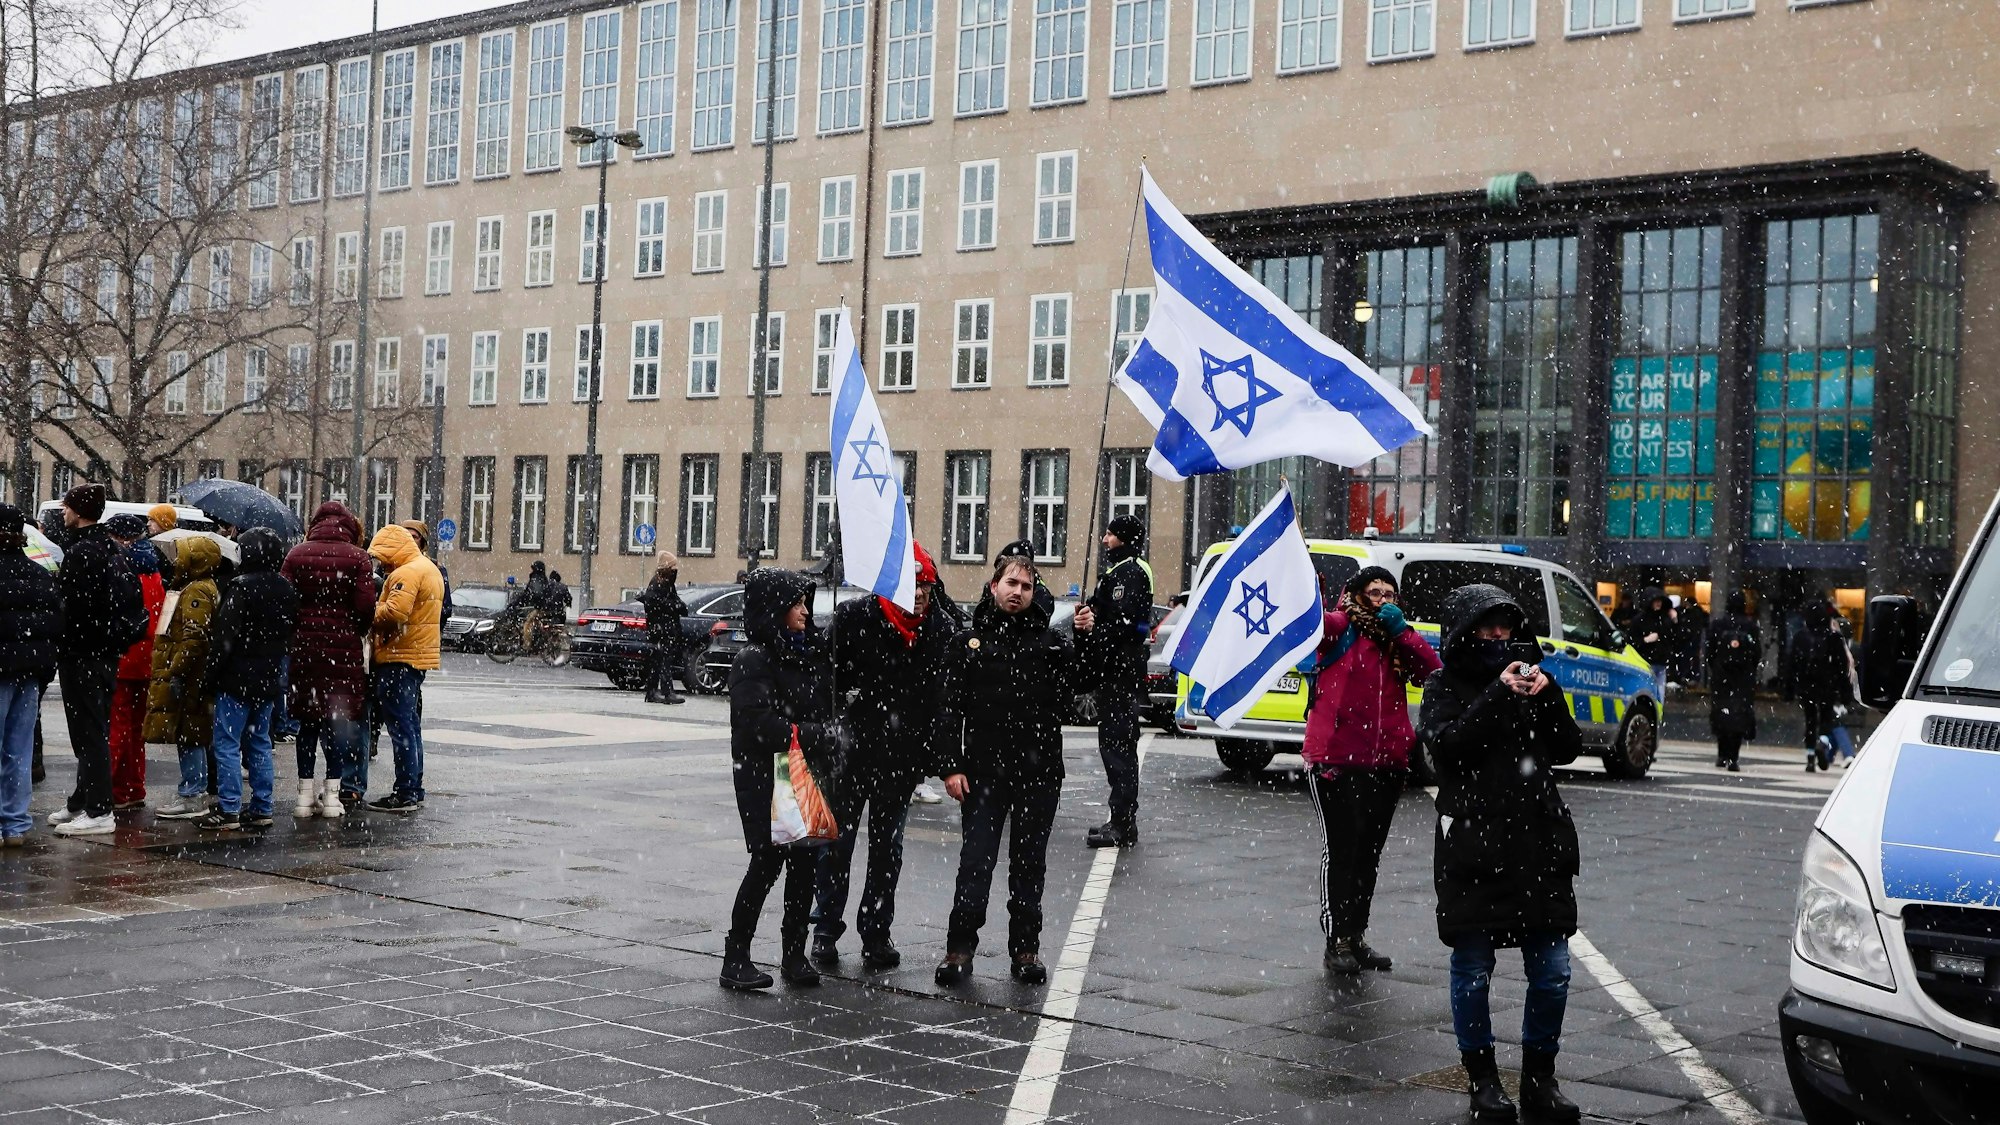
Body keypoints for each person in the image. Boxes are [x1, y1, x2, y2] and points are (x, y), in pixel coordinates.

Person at [1419, 584, 1585, 1124]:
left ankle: (1540, 1078)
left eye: (1506, 627)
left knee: (1553, 969)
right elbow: (1447, 747)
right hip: (1474, 846)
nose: (1500, 637)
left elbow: (1566, 748)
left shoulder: (1535, 679)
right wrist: (1497, 692)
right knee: (1472, 967)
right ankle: (1483, 1082)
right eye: (1488, 627)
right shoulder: (1444, 684)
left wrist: (1547, 695)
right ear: (1465, 631)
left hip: (1538, 844)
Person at [934, 555, 1084, 987]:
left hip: (1038, 773)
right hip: (983, 774)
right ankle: (959, 950)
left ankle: (1025, 950)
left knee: (1028, 865)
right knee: (975, 863)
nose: (1018, 592)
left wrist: (1089, 638)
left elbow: (1081, 685)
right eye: (1011, 583)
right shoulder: (968, 642)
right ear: (994, 585)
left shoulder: (1051, 644)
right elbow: (948, 710)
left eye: (1027, 586)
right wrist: (949, 766)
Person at [813, 543, 955, 971]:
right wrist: (836, 718)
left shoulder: (940, 629)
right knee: (835, 846)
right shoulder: (854, 617)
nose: (918, 596)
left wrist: (932, 756)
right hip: (850, 754)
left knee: (887, 850)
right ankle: (824, 929)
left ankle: (876, 932)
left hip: (899, 761)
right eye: (911, 586)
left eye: (925, 588)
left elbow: (942, 701)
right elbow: (824, 679)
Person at [1302, 566, 1442, 975]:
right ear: (1357, 594)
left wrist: (1401, 632)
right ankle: (1337, 940)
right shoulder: (1341, 626)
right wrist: (1309, 584)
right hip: (1336, 760)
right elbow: (1312, 623)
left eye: (1390, 593)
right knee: (1342, 851)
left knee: (1368, 855)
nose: (1383, 599)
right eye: (1375, 591)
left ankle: (1356, 935)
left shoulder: (1396, 637)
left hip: (1386, 763)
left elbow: (1433, 671)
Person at [723, 569, 844, 991]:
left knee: (806, 861)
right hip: (764, 774)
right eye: (796, 603)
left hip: (802, 773)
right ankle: (735, 956)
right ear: (774, 608)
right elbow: (757, 724)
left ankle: (794, 953)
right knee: (767, 863)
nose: (805, 611)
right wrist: (812, 735)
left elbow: (819, 704)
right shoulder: (753, 658)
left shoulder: (807, 652)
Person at [47, 484, 147, 837]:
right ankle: (82, 799)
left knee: (88, 733)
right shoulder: (111, 549)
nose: (63, 512)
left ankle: (99, 809)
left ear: (79, 511)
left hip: (83, 655)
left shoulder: (82, 553)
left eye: (68, 506)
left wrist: (65, 643)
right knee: (96, 728)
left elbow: (71, 609)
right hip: (105, 654)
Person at [196, 529, 299, 832]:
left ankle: (229, 808)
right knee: (260, 742)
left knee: (227, 743)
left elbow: (224, 638)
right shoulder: (285, 588)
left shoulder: (240, 588)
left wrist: (209, 678)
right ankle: (262, 806)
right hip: (267, 677)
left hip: (236, 677)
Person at [282, 502, 376, 817]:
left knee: (307, 724)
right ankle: (334, 796)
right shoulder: (358, 557)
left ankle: (304, 797)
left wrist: (300, 629)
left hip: (306, 651)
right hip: (343, 652)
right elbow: (365, 607)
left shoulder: (296, 554)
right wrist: (352, 630)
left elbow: (287, 602)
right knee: (337, 724)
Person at [1071, 514, 1153, 849]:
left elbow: (1130, 627)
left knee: (1118, 749)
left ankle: (1122, 823)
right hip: (1113, 674)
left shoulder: (1131, 572)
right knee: (1114, 748)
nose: (1104, 540)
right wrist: (1086, 618)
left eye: (1110, 535)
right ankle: (1120, 819)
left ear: (1124, 538)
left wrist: (1096, 626)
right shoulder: (1116, 572)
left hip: (1121, 675)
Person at [364, 524, 444, 813]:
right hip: (415, 655)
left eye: (382, 556)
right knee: (410, 726)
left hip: (399, 656)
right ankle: (413, 787)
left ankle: (406, 791)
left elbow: (396, 612)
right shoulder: (427, 567)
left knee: (401, 728)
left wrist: (369, 610)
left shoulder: (405, 572)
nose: (381, 564)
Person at [146, 537, 223, 820]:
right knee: (193, 732)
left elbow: (194, 637)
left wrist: (176, 671)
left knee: (189, 733)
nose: (176, 559)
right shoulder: (201, 587)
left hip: (190, 676)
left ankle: (192, 793)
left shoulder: (197, 591)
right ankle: (197, 789)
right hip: (194, 674)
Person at [0, 505, 62, 847]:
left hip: (6, 669)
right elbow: (55, 627)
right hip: (30, 671)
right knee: (19, 749)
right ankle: (15, 822)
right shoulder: (40, 574)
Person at [103, 514, 167, 812]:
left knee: (117, 727)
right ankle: (134, 787)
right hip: (149, 657)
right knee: (136, 729)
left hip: (126, 656)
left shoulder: (123, 570)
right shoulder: (154, 571)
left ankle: (111, 790)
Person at [1792, 602, 1857, 773]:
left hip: (1806, 686)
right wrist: (1845, 692)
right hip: (1828, 686)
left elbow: (1792, 663)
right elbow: (1841, 666)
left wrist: (1790, 687)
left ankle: (1810, 756)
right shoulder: (1834, 637)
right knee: (1826, 719)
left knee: (1810, 719)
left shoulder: (1800, 637)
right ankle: (1823, 741)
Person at [1704, 592, 1761, 772]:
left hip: (1722, 676)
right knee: (1739, 715)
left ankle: (1721, 753)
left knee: (1722, 712)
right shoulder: (1750, 626)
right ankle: (1733, 757)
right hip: (1743, 677)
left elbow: (1710, 651)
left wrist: (1717, 667)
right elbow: (1756, 652)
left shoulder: (1718, 625)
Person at [638, 556, 689, 705]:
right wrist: (675, 607)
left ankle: (653, 692)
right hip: (662, 630)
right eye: (673, 569)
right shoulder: (658, 584)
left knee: (658, 662)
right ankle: (666, 693)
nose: (675, 572)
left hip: (664, 629)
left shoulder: (665, 584)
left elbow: (673, 603)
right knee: (663, 661)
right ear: (668, 569)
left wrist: (676, 606)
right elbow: (657, 605)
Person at [1627, 588, 1678, 697]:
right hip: (1646, 663)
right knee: (1649, 694)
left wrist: (1675, 620)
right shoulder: (1640, 620)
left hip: (1660, 663)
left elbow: (1675, 637)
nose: (1658, 603)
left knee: (1657, 695)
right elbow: (1631, 641)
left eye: (1660, 601)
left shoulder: (1664, 618)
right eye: (1655, 600)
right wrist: (1646, 640)